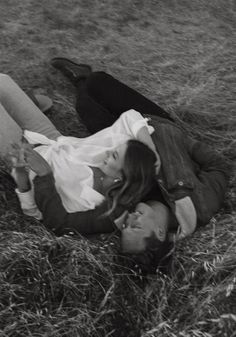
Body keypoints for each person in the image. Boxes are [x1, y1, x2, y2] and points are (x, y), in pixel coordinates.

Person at [0, 73, 157, 225]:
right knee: (3, 80)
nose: (109, 151)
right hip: (50, 137)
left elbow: (35, 213)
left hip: (21, 156)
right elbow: (131, 117)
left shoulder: (87, 203)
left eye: (114, 156)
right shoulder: (106, 159)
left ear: (122, 177)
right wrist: (151, 150)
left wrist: (20, 173)